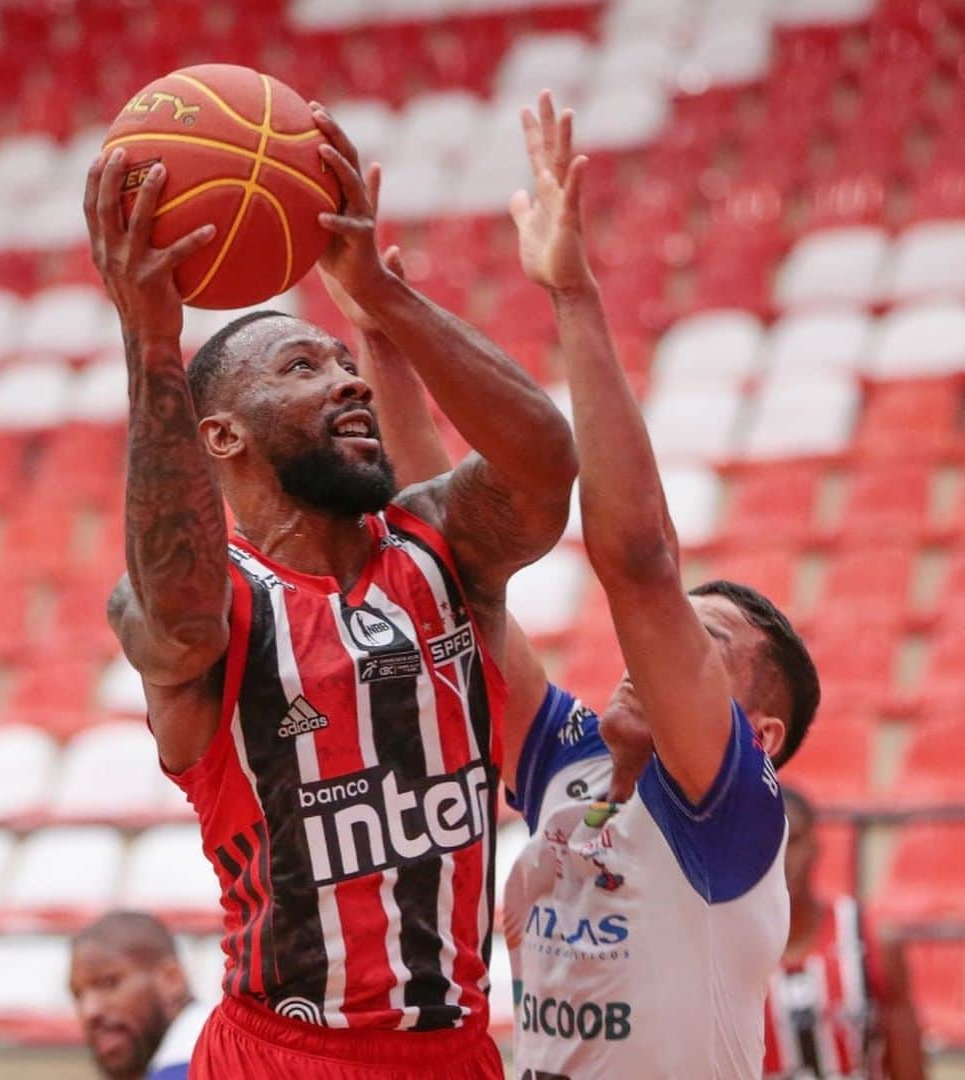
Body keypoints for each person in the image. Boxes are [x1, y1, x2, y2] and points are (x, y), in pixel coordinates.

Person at [84, 98, 577, 1079]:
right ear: (219, 434)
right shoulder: (210, 599)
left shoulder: (438, 546)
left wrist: (381, 302)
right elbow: (177, 615)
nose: (348, 382)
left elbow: (543, 467)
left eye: (348, 366)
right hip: (282, 1052)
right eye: (304, 366)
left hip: (455, 1048)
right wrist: (150, 343)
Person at [356, 92, 822, 1079]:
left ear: (761, 737)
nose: (658, 649)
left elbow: (642, 565)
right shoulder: (567, 757)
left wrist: (571, 295)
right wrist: (378, 335)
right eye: (674, 635)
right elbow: (445, 565)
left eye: (704, 646)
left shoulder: (730, 810)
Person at [763, 787, 926, 1079]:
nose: (782, 857)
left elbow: (909, 1068)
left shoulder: (873, 940)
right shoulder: (728, 956)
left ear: (815, 845)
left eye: (794, 841)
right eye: (768, 842)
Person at [69, 911, 209, 1080]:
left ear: (172, 979)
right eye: (77, 995)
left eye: (109, 983)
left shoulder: (205, 1065)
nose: (90, 1011)